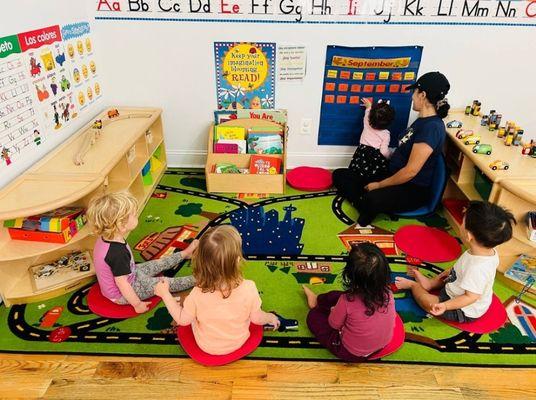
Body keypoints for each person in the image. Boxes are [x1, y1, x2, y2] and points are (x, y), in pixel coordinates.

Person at [333, 71, 451, 226]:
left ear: (422, 95)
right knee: (340, 175)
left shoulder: (432, 128)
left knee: (371, 199)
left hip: (411, 188)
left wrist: (379, 185)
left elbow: (410, 172)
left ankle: (366, 205)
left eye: (414, 92)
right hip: (393, 174)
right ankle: (368, 200)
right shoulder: (422, 121)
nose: (412, 97)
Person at [154, 225, 280, 355]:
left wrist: (165, 294)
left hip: (206, 345)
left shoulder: (197, 294)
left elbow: (182, 320)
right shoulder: (249, 287)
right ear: (237, 260)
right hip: (239, 341)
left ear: (200, 262)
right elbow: (257, 319)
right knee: (251, 309)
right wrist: (271, 317)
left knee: (191, 312)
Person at [396, 201, 515, 322]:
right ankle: (431, 284)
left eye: (463, 221)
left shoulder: (477, 269)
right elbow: (466, 267)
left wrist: (445, 306)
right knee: (448, 275)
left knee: (427, 303)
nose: (461, 223)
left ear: (469, 236)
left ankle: (414, 286)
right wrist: (453, 272)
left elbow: (470, 297)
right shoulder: (487, 249)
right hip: (459, 285)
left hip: (464, 309)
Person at [87, 191, 196, 313]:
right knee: (164, 284)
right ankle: (199, 279)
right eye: (133, 215)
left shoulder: (108, 237)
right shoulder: (117, 253)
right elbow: (123, 284)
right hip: (124, 292)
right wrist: (137, 304)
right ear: (120, 225)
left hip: (131, 273)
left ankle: (185, 253)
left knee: (157, 264)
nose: (136, 216)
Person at [303, 243, 395, 361]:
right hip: (380, 346)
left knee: (313, 316)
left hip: (351, 352)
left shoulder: (347, 300)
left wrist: (333, 311)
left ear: (350, 274)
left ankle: (317, 301)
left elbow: (333, 324)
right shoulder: (388, 294)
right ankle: (319, 299)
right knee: (335, 296)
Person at [348, 98, 395, 181]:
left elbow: (367, 113)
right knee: (376, 173)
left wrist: (369, 106)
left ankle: (356, 179)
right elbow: (384, 151)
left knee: (357, 169)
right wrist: (391, 155)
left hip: (362, 153)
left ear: (370, 117)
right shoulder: (386, 134)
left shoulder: (367, 122)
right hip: (375, 159)